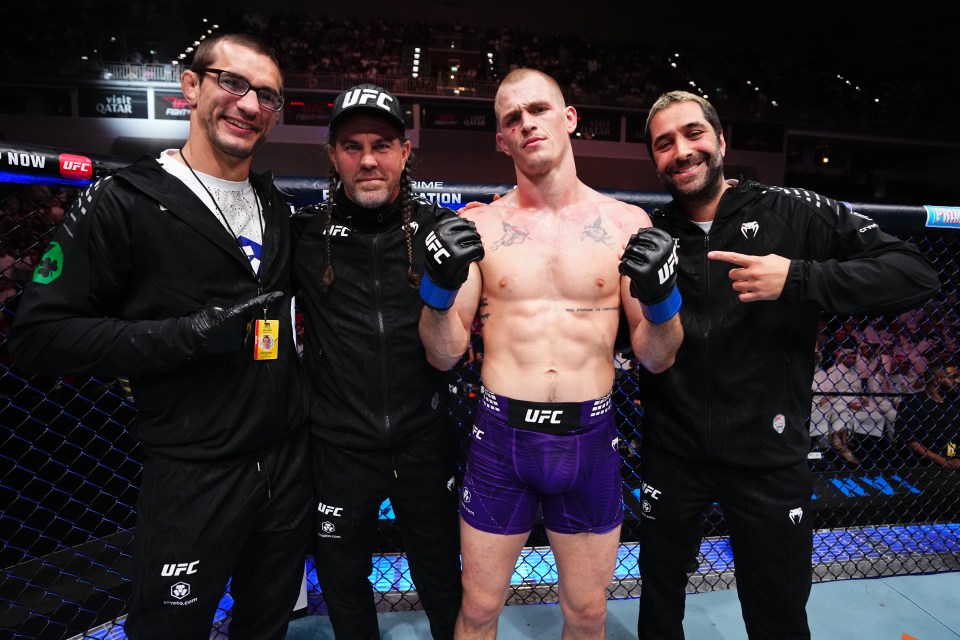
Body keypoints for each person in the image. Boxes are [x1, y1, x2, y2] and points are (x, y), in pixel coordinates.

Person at [9, 33, 310, 640]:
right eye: (233, 82)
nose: (250, 104)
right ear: (191, 86)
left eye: (268, 96)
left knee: (269, 627)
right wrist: (185, 336)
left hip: (286, 466)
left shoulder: (277, 208)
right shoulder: (126, 200)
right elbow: (36, 336)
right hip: (191, 474)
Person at [634, 89, 940, 639]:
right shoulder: (652, 235)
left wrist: (798, 278)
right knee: (658, 607)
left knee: (777, 618)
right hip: (673, 454)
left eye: (693, 134)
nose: (681, 151)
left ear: (721, 140)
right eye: (664, 143)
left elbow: (915, 272)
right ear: (654, 159)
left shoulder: (792, 211)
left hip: (769, 459)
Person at [417, 68, 684, 639]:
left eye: (538, 109)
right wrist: (437, 295)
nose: (526, 123)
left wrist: (663, 304)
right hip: (500, 440)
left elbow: (657, 358)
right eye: (511, 118)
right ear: (500, 139)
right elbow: (443, 356)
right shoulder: (478, 224)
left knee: (587, 614)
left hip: (590, 441)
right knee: (479, 608)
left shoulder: (625, 223)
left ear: (569, 119)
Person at [292, 83, 462, 639]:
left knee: (441, 575)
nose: (368, 159)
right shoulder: (304, 234)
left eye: (383, 144)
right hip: (338, 445)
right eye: (352, 145)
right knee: (343, 580)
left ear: (405, 152)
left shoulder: (441, 229)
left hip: (424, 438)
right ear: (332, 154)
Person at [897, 363, 960, 469]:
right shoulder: (914, 403)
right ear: (937, 379)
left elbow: (951, 437)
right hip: (919, 466)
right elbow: (910, 441)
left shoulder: (954, 402)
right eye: (954, 377)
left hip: (950, 461)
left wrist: (952, 457)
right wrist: (944, 462)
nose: (958, 381)